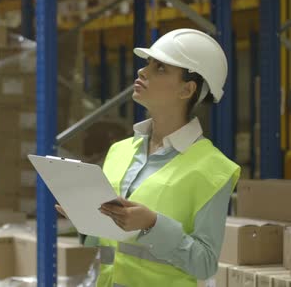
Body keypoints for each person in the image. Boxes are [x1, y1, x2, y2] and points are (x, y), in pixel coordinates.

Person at [56, 28, 240, 287]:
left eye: (161, 68)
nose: (143, 72)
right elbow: (108, 248)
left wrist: (153, 225)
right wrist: (86, 221)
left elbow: (205, 263)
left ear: (187, 89)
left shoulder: (214, 169)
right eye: (148, 64)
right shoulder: (119, 152)